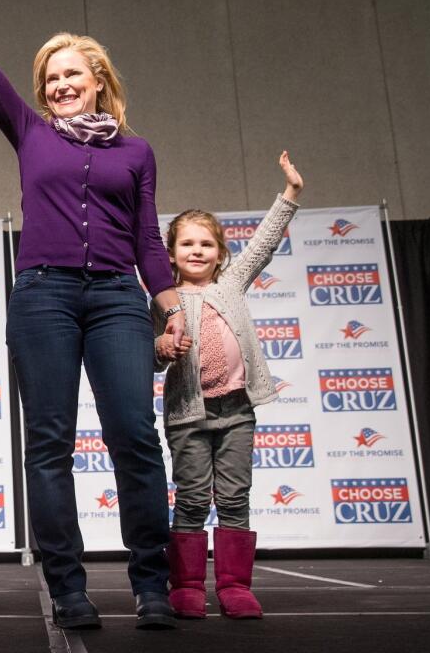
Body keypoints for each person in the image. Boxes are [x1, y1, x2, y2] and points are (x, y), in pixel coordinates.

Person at [0, 0, 185, 631]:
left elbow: (147, 242)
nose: (59, 84)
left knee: (134, 434)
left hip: (116, 301)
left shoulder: (137, 152)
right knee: (49, 444)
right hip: (42, 296)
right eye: (50, 77)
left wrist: (171, 309)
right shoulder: (30, 132)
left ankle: (150, 583)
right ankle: (67, 588)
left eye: (72, 73)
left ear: (99, 78)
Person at [154, 152, 303, 620]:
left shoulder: (232, 284)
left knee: (235, 497)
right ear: (171, 252)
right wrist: (162, 346)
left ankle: (235, 586)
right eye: (187, 245)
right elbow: (147, 355)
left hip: (238, 410)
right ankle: (188, 585)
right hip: (188, 415)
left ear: (221, 253)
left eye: (206, 245)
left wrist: (290, 194)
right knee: (193, 498)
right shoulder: (163, 298)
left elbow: (261, 244)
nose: (197, 252)